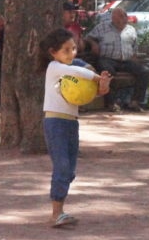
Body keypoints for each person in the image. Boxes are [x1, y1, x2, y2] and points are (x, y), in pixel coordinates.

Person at [36, 28, 111, 228]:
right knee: (61, 165)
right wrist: (97, 79)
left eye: (74, 48)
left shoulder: (73, 66)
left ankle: (60, 208)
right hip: (55, 123)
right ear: (53, 52)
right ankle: (56, 213)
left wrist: (102, 86)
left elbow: (86, 92)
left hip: (71, 123)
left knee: (70, 170)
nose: (72, 53)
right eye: (66, 50)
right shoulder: (54, 67)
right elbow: (79, 71)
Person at [85, 7, 149, 111]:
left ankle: (135, 102)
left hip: (126, 61)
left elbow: (134, 48)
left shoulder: (131, 30)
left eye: (125, 16)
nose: (124, 19)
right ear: (113, 18)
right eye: (121, 16)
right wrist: (93, 44)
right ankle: (111, 103)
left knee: (144, 72)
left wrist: (135, 60)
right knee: (107, 72)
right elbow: (88, 37)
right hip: (107, 59)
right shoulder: (102, 27)